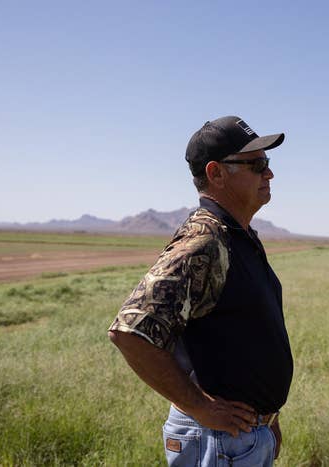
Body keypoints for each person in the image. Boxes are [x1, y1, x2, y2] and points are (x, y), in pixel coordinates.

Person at [107, 115, 294, 466]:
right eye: (256, 164)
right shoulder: (205, 241)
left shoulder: (238, 236)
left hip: (242, 438)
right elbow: (129, 332)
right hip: (216, 440)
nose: (268, 173)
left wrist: (269, 419)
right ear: (216, 173)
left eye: (267, 163)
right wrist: (200, 407)